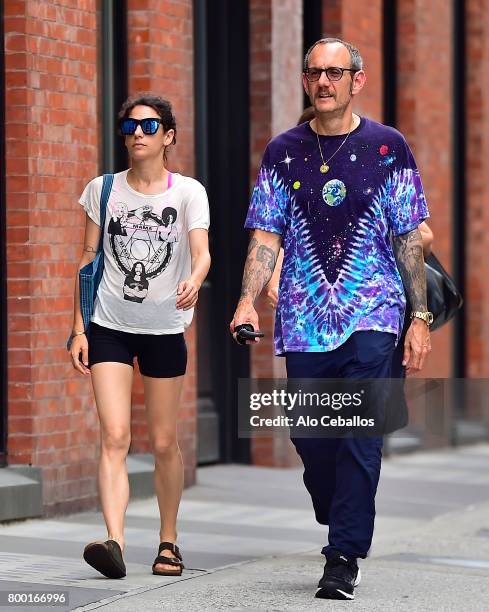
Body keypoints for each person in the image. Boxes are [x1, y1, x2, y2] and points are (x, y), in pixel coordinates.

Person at [230, 38, 432, 601]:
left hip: (374, 316)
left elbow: (408, 238)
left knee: (361, 439)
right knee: (314, 439)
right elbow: (266, 235)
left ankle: (342, 556)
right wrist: (247, 299)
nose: (324, 82)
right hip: (305, 320)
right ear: (305, 81)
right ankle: (333, 500)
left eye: (335, 73)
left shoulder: (389, 148)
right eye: (315, 73)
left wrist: (418, 317)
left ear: (356, 81)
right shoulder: (283, 151)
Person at [69, 93, 211, 579]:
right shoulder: (102, 190)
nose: (137, 135)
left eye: (149, 127)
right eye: (130, 127)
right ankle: (115, 542)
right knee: (114, 435)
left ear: (168, 137)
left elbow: (201, 250)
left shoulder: (188, 192)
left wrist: (194, 278)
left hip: (164, 329)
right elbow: (88, 260)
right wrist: (78, 328)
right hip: (109, 324)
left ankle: (168, 542)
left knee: (165, 441)